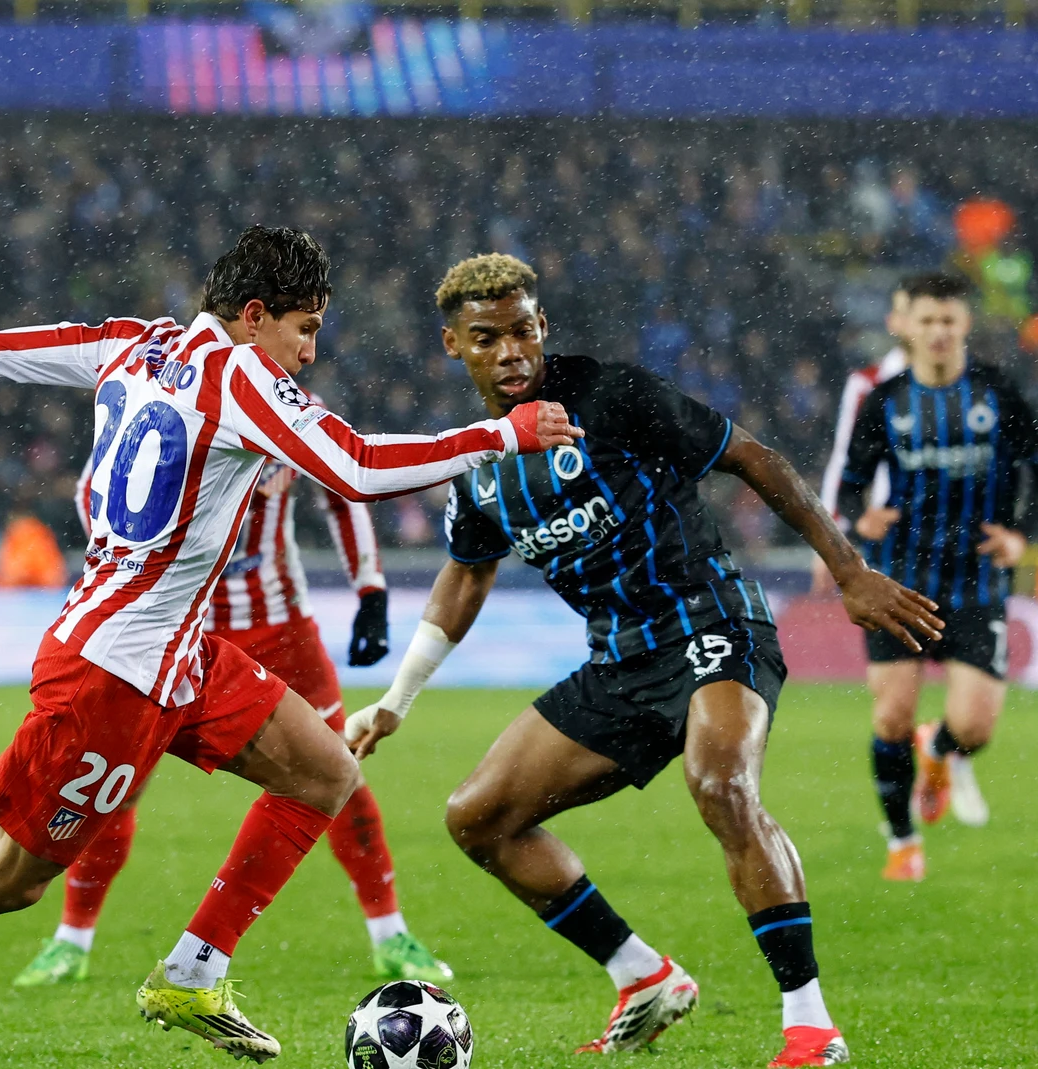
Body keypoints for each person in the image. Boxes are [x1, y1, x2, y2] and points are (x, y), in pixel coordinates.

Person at [0, 226, 580, 1061]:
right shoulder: (241, 374)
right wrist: (502, 434)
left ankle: (193, 971)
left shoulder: (133, 343)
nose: (308, 354)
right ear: (252, 315)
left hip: (180, 652)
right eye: (303, 329)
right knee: (3, 880)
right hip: (113, 672)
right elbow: (353, 467)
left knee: (326, 770)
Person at [345, 254, 941, 1069]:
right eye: (488, 338)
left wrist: (848, 572)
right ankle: (644, 976)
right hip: (621, 661)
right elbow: (466, 574)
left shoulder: (610, 396)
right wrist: (395, 700)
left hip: (711, 617)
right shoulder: (477, 466)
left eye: (523, 330)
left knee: (720, 781)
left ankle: (811, 1024)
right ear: (455, 346)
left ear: (542, 326)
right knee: (477, 817)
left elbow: (752, 456)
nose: (512, 351)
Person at [9, 396, 452, 991]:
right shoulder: (170, 398)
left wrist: (370, 589)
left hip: (281, 632)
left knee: (339, 772)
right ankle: (71, 940)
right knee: (118, 781)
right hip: (182, 634)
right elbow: (95, 486)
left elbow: (343, 491)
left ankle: (389, 932)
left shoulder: (297, 410)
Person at [837, 271, 1035, 880]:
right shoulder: (886, 398)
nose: (939, 332)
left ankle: (942, 748)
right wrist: (860, 517)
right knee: (892, 716)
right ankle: (902, 843)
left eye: (949, 320)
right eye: (927, 321)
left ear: (964, 324)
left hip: (978, 579)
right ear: (905, 326)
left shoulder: (997, 392)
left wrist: (1021, 533)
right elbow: (850, 482)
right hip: (902, 577)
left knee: (975, 726)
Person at [811, 284, 911, 593]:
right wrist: (828, 540)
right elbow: (844, 458)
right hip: (892, 538)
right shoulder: (868, 385)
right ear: (892, 321)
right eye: (910, 313)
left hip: (962, 543)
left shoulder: (978, 388)